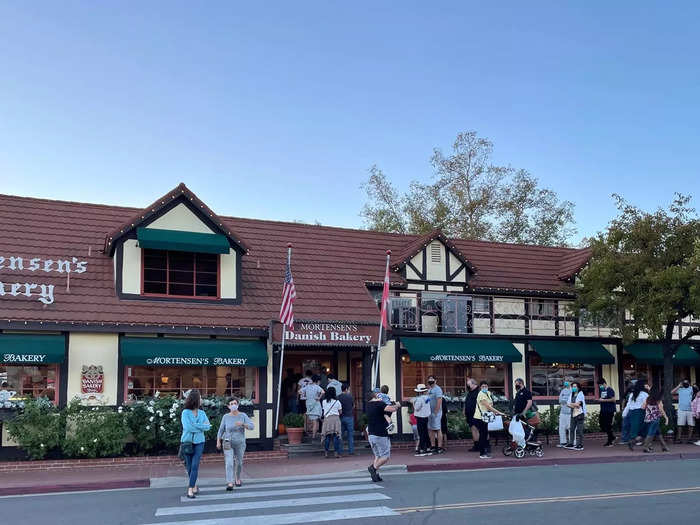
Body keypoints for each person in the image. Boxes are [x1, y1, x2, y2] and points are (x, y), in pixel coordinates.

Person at [216, 397, 255, 490]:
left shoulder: (243, 415)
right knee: (229, 462)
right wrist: (218, 441)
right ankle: (230, 482)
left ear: (237, 405)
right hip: (227, 441)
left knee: (239, 462)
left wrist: (242, 424)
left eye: (235, 403)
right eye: (231, 404)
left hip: (240, 442)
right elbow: (221, 430)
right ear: (228, 406)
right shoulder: (225, 417)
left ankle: (237, 478)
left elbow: (252, 426)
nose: (233, 405)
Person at [180, 389, 211, 499]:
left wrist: (196, 425)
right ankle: (194, 485)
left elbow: (208, 426)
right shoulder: (185, 412)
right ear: (195, 399)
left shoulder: (202, 413)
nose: (202, 400)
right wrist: (200, 426)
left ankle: (190, 489)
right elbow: (187, 427)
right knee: (189, 466)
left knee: (195, 465)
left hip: (199, 442)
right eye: (200, 398)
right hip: (187, 442)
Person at [366, 390, 399, 482]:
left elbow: (383, 414)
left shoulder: (368, 405)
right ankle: (373, 468)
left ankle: (375, 475)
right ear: (374, 396)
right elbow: (392, 409)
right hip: (380, 434)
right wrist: (397, 405)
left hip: (371, 434)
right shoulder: (379, 404)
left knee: (377, 455)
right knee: (385, 456)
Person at [473, 380, 506, 459]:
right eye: (483, 386)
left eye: (486, 386)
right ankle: (482, 453)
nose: (484, 388)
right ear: (480, 388)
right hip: (479, 417)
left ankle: (484, 452)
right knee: (483, 435)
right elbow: (488, 406)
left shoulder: (488, 393)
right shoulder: (481, 394)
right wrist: (499, 412)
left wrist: (494, 411)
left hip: (486, 417)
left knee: (485, 435)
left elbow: (491, 405)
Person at [622, 380, 649, 449]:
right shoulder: (644, 394)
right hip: (640, 412)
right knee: (643, 429)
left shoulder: (632, 394)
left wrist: (624, 413)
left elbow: (628, 405)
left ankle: (633, 441)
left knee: (634, 429)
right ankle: (634, 442)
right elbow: (646, 405)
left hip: (631, 412)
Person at [564, 381, 586, 450]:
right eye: (572, 387)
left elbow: (578, 404)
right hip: (573, 414)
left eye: (575, 387)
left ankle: (580, 444)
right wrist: (574, 405)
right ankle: (571, 443)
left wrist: (572, 404)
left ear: (578, 387)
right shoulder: (571, 394)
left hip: (579, 414)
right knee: (572, 429)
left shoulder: (581, 394)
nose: (573, 388)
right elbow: (567, 404)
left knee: (579, 430)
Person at [321, 386, 342, 458]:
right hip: (336, 419)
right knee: (336, 436)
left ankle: (326, 453)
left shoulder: (324, 402)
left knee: (327, 436)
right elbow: (340, 412)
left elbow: (324, 410)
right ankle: (336, 453)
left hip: (327, 419)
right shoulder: (337, 402)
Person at [671, 379, 695, 443]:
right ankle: (679, 439)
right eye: (684, 383)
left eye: (687, 382)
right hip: (681, 409)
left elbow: (697, 392)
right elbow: (672, 392)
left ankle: (689, 439)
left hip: (691, 409)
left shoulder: (691, 388)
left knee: (691, 424)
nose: (685, 384)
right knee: (680, 424)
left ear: (689, 383)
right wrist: (679, 386)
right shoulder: (680, 389)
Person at [427, 375, 444, 454]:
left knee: (437, 429)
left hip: (436, 413)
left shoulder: (438, 389)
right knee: (430, 429)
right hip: (429, 413)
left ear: (435, 380)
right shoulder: (429, 389)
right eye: (429, 379)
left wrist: (436, 412)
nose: (430, 380)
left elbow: (439, 400)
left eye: (432, 379)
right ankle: (433, 446)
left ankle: (440, 447)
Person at [412, 383, 431, 456]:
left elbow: (417, 408)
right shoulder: (427, 398)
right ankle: (428, 447)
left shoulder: (419, 399)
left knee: (421, 433)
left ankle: (422, 448)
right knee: (425, 432)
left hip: (420, 417)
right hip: (426, 417)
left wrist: (413, 403)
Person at [303, 375, 324, 440]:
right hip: (316, 405)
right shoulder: (317, 387)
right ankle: (314, 436)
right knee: (317, 421)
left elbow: (300, 391)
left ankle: (308, 432)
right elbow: (323, 392)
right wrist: (319, 398)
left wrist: (305, 396)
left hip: (309, 405)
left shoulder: (307, 386)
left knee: (311, 420)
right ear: (318, 381)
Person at [337, 383, 355, 456]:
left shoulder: (338, 397)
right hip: (349, 417)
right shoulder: (350, 397)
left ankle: (340, 451)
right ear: (347, 389)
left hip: (341, 417)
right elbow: (353, 406)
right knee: (350, 435)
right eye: (349, 389)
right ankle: (351, 451)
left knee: (340, 435)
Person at [598, 378, 617, 446]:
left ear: (604, 383)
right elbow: (602, 398)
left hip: (609, 410)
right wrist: (599, 400)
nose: (600, 386)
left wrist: (603, 400)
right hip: (603, 410)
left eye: (600, 385)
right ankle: (613, 437)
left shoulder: (610, 390)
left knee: (608, 425)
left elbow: (613, 400)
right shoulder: (602, 390)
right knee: (602, 424)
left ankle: (610, 441)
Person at [464, 378, 480, 452]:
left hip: (476, 415)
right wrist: (464, 410)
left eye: (469, 384)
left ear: (474, 384)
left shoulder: (478, 392)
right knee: (473, 429)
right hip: (470, 415)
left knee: (478, 430)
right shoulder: (470, 392)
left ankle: (481, 445)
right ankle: (476, 445)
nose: (467, 386)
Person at [557, 379, 572, 448]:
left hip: (570, 412)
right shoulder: (563, 390)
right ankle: (563, 442)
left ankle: (572, 442)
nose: (566, 383)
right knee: (561, 428)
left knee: (570, 428)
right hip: (562, 412)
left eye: (567, 381)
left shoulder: (573, 390)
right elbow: (560, 400)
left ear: (570, 382)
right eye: (565, 381)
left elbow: (572, 400)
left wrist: (565, 401)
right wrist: (565, 401)